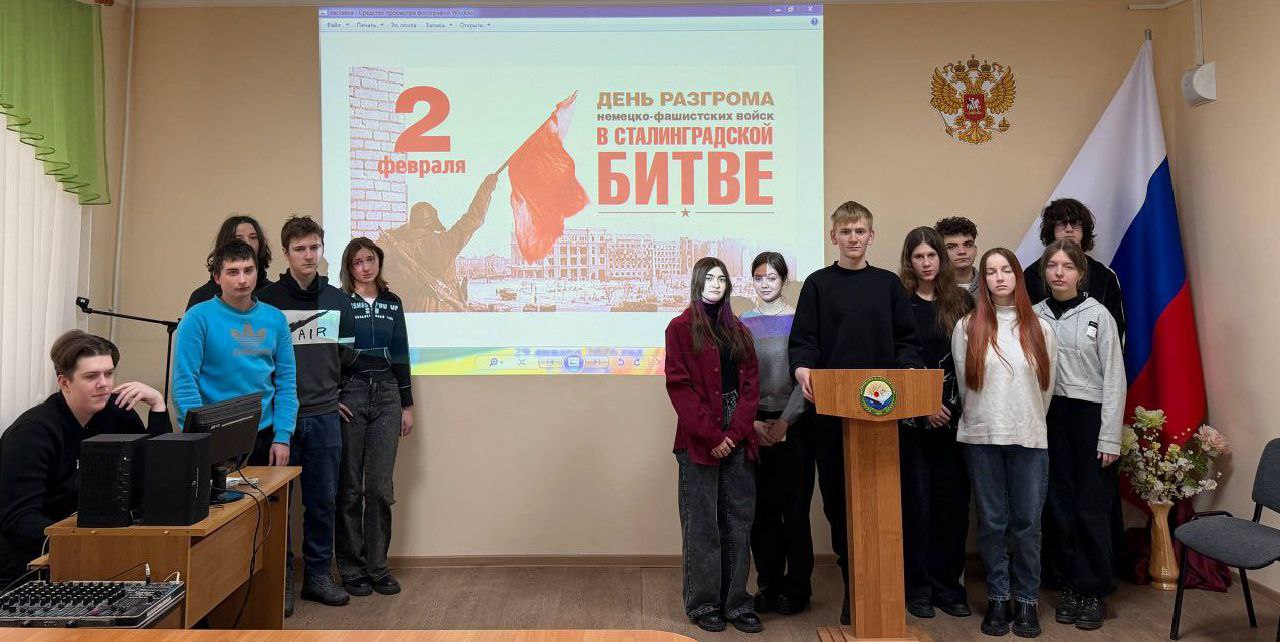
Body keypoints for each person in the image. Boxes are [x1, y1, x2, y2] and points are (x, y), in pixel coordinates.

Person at [789, 201, 923, 625]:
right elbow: (804, 341)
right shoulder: (817, 284)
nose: (852, 238)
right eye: (845, 231)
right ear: (834, 236)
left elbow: (907, 341)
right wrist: (803, 367)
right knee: (839, 503)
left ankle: (883, 591)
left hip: (882, 414)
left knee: (883, 503)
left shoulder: (888, 285)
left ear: (871, 236)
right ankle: (854, 585)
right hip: (831, 415)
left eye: (860, 231)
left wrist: (908, 371)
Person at [0, 331, 170, 587]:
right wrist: (83, 541)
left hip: (95, 543)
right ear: (64, 383)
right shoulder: (31, 433)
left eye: (109, 374)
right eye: (91, 376)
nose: (104, 384)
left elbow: (154, 480)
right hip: (32, 560)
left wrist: (158, 406)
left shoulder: (118, 414)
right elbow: (19, 519)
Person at [952, 248, 1057, 639]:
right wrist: (986, 418)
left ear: (1017, 276)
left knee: (1027, 524)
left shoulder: (1041, 328)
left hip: (1028, 437)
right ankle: (998, 597)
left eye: (1006, 270)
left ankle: (1026, 599)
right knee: (993, 523)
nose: (999, 277)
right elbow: (965, 387)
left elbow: (1046, 389)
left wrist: (1025, 420)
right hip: (982, 436)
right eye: (991, 272)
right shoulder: (967, 326)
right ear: (983, 280)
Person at [257, 215, 357, 610]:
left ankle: (317, 576)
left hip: (324, 416)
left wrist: (333, 393)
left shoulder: (338, 300)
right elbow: (257, 360)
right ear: (286, 253)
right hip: (278, 419)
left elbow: (346, 356)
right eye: (300, 249)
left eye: (314, 247)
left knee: (322, 502)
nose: (308, 255)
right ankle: (280, 578)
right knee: (276, 504)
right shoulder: (265, 301)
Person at [665, 257, 762, 634]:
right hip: (698, 434)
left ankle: (736, 602)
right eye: (709, 278)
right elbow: (679, 387)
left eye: (722, 278)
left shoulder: (739, 330)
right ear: (697, 283)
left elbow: (751, 388)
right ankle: (704, 603)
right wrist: (712, 436)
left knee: (738, 519)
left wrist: (734, 434)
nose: (716, 284)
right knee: (702, 522)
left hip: (738, 429)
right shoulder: (679, 328)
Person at [1033, 240, 1125, 631]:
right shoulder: (1034, 315)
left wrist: (1110, 437)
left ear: (1080, 273)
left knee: (1091, 507)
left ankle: (1093, 589)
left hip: (1090, 418)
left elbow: (1115, 379)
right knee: (1059, 507)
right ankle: (1069, 585)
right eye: (1052, 265)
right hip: (1050, 416)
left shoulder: (1099, 315)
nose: (1059, 273)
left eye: (1067, 266)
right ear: (1044, 272)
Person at [897, 227, 974, 619]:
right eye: (919, 257)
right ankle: (918, 587)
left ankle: (948, 586)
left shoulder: (962, 302)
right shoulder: (900, 303)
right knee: (917, 506)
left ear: (941, 260)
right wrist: (925, 404)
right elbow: (896, 359)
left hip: (956, 423)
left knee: (952, 507)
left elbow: (973, 361)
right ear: (909, 262)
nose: (926, 263)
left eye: (932, 256)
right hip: (913, 425)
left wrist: (948, 408)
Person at [335, 237, 413, 598]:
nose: (365, 267)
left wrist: (406, 405)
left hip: (387, 395)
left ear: (378, 262)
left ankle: (378, 567)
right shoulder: (338, 302)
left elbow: (400, 353)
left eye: (370, 260)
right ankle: (351, 569)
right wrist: (331, 396)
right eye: (357, 262)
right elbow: (333, 354)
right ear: (349, 267)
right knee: (350, 488)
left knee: (380, 489)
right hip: (350, 393)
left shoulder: (392, 303)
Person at [740, 252, 810, 617]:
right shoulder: (744, 323)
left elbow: (807, 377)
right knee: (762, 512)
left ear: (784, 279)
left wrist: (786, 421)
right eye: (758, 277)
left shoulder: (800, 319)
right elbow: (739, 378)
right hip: (755, 425)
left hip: (795, 425)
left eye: (771, 277)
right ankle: (768, 584)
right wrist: (752, 422)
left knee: (794, 511)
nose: (765, 284)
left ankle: (797, 588)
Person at [378, 173, 499, 312]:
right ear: (433, 224)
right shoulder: (443, 243)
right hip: (444, 308)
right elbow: (473, 218)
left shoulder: (399, 247)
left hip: (413, 308)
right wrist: (486, 188)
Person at [1021, 199, 1125, 339]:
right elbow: (1025, 326)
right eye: (1062, 223)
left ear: (1084, 230)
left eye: (1075, 223)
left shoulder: (1104, 276)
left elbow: (1115, 332)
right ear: (1052, 229)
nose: (1069, 229)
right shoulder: (1032, 275)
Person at [186, 215, 273, 310]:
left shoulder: (273, 293)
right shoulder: (203, 297)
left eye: (253, 237)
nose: (248, 243)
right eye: (239, 238)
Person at [936, 215, 980, 299]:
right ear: (940, 252)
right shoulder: (932, 288)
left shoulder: (990, 285)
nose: (962, 251)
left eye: (968, 245)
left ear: (975, 250)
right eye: (952, 246)